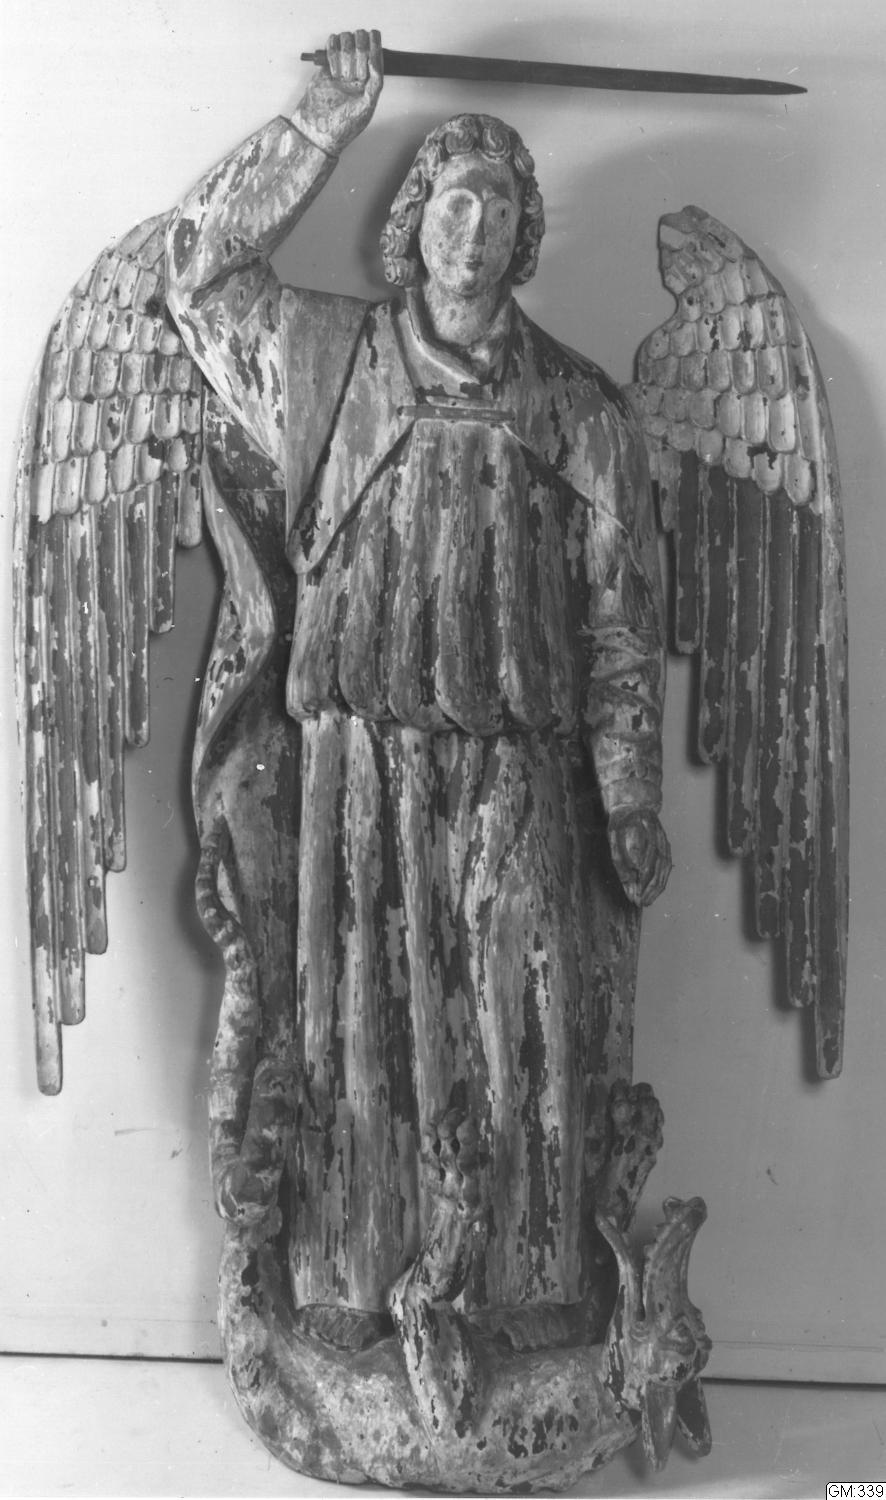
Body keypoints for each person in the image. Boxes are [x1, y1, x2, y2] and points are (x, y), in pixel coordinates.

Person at [167, 28, 670, 1353]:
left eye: (497, 209)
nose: (472, 230)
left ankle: (537, 1299)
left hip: (520, 761)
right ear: (411, 220)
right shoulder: (327, 362)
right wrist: (318, 128)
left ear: (523, 237)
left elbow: (621, 621)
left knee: (528, 1018)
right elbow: (198, 275)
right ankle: (345, 1289)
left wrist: (627, 792)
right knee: (363, 1029)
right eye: (451, 201)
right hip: (357, 756)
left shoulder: (578, 412)